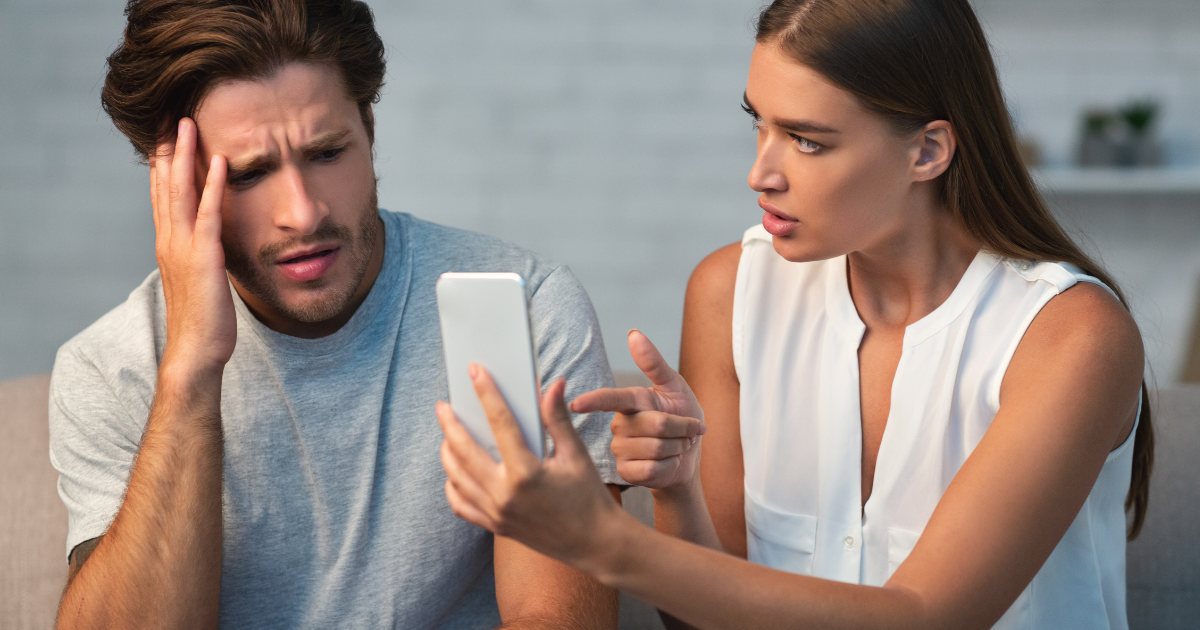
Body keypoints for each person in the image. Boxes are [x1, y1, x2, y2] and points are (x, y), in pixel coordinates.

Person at [436, 0, 1154, 628]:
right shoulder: (731, 292)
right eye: (760, 124)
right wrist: (678, 492)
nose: (762, 172)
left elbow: (925, 619)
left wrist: (604, 540)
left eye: (808, 140)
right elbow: (707, 624)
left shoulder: (1072, 337)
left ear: (928, 150)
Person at [48, 0, 626, 628]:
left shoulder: (527, 309)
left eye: (326, 153)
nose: (304, 212)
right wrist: (189, 374)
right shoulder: (110, 367)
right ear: (175, 185)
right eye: (247, 174)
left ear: (369, 128)